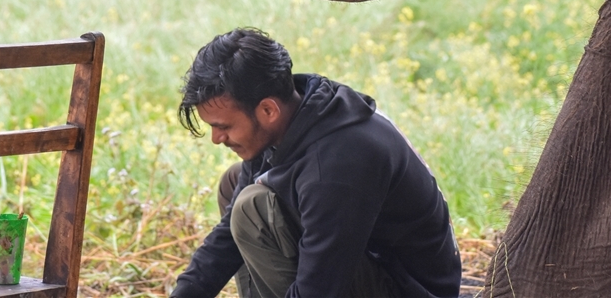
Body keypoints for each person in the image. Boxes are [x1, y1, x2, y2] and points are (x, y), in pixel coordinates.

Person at [170, 28, 461, 298]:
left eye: (224, 126)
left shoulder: (337, 164)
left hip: (407, 289)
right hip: (361, 263)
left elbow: (319, 290)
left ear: (268, 109)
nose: (217, 138)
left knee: (253, 207)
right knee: (234, 183)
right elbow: (226, 241)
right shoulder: (291, 116)